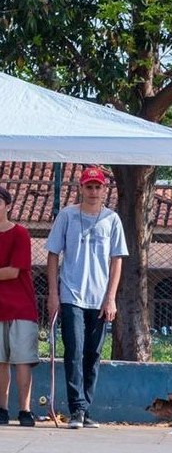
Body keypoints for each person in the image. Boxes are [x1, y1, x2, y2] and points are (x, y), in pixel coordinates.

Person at [46, 166, 128, 429]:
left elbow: (116, 260)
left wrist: (111, 297)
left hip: (99, 297)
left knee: (93, 353)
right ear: (81, 188)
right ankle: (77, 409)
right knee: (74, 349)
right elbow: (53, 254)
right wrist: (54, 294)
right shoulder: (67, 216)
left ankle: (86, 407)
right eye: (89, 186)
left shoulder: (112, 219)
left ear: (104, 190)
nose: (93, 191)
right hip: (72, 294)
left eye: (97, 187)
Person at [0, 184, 40, 427]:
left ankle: (25, 410)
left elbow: (13, 271)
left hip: (20, 308)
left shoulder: (20, 234)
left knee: (22, 360)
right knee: (0, 361)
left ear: (8, 205)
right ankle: (2, 409)